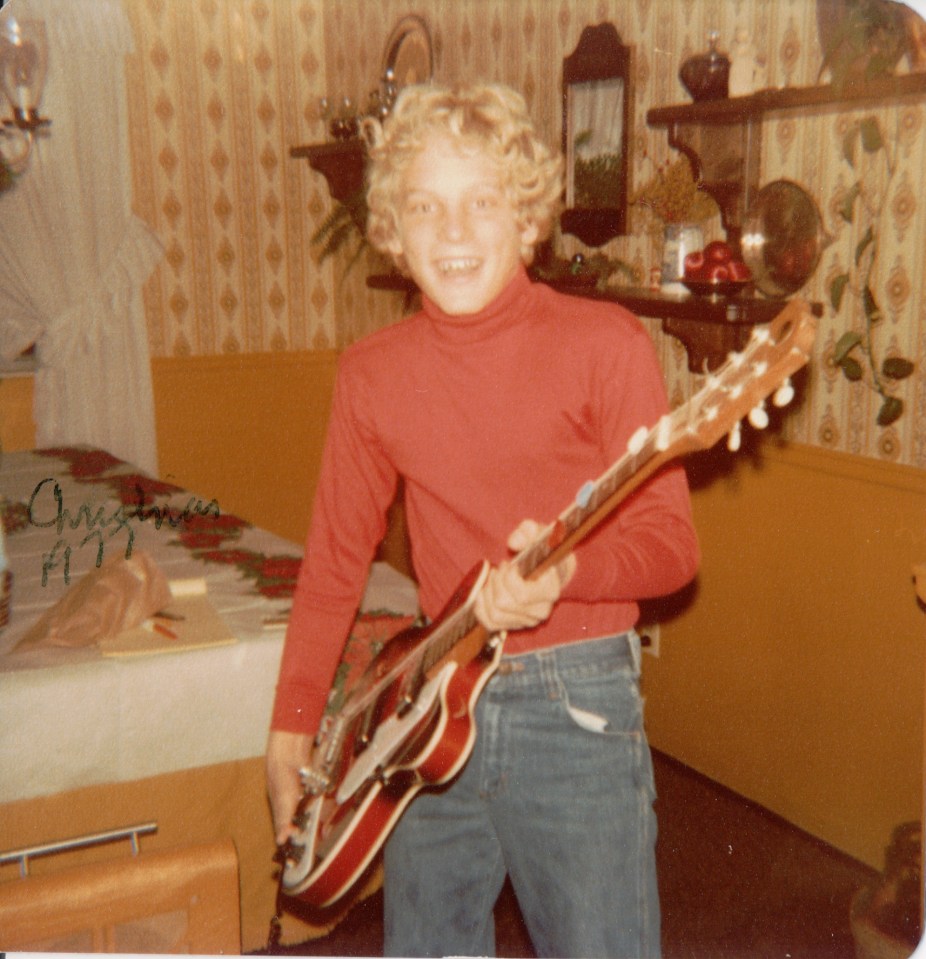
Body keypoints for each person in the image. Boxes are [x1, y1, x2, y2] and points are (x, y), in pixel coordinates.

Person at [266, 82, 700, 959]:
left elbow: (672, 547)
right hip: (428, 707)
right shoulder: (370, 373)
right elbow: (335, 563)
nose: (453, 232)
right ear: (393, 230)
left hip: (576, 707)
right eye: (425, 207)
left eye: (483, 202)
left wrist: (569, 572)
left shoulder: (606, 344)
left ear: (527, 219)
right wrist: (291, 724)